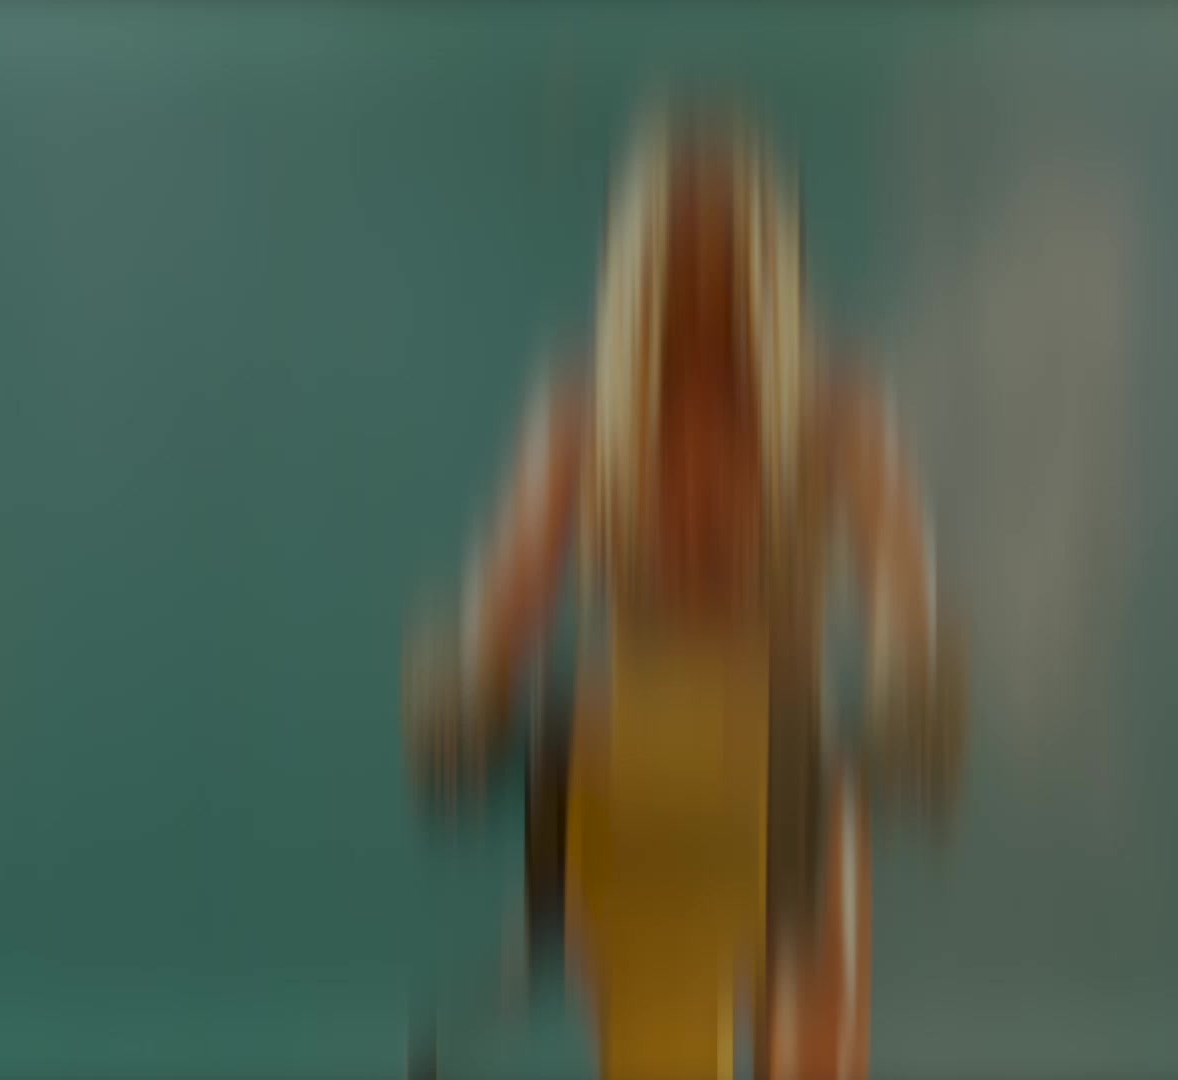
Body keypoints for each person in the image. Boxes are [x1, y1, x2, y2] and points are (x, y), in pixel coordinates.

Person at [403, 104, 963, 1080]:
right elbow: (508, 596)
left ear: (767, 281)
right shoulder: (582, 422)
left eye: (722, 273)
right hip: (641, 772)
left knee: (819, 1041)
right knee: (666, 1055)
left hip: (787, 768)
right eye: (680, 274)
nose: (702, 300)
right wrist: (468, 686)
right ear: (639, 284)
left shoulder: (836, 418)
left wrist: (907, 679)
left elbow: (907, 592)